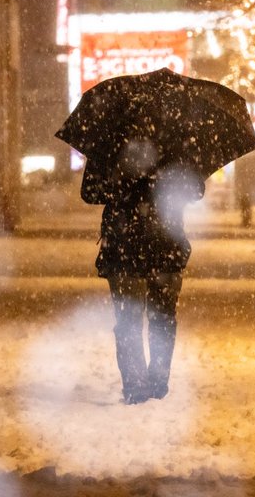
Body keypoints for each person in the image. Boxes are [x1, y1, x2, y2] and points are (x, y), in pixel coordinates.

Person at [80, 146, 204, 404]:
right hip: (159, 243)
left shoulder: (110, 138)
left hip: (131, 244)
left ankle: (141, 385)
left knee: (134, 317)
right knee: (158, 317)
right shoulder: (175, 138)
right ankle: (153, 383)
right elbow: (195, 190)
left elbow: (90, 191)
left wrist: (123, 183)